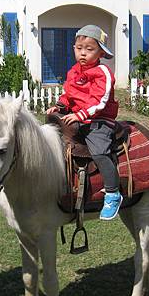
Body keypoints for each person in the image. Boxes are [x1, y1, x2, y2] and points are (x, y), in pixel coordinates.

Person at [46, 24, 121, 220]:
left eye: (90, 49)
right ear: (73, 49)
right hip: (77, 116)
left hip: (98, 119)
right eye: (79, 48)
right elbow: (68, 94)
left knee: (98, 151)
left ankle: (113, 193)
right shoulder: (74, 71)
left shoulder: (103, 72)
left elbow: (100, 101)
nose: (83, 53)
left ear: (101, 53)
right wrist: (60, 107)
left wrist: (80, 115)